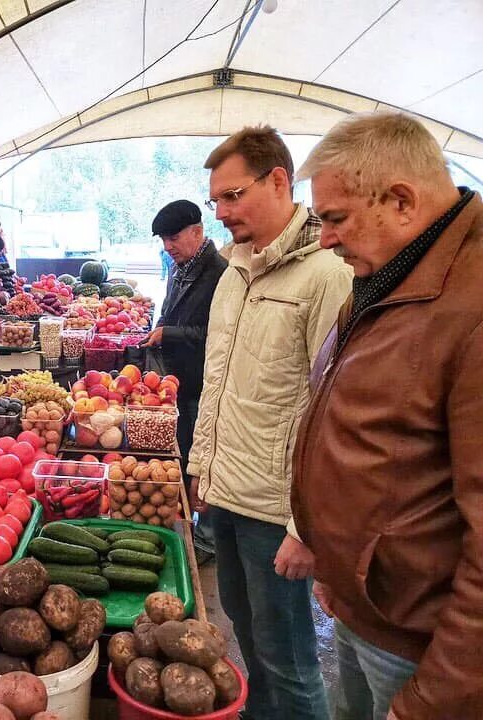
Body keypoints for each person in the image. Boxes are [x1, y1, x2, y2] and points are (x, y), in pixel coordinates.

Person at [291, 112, 483, 720]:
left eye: (335, 219)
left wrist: (432, 700)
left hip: (419, 646)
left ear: (401, 200)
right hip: (364, 608)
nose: (323, 238)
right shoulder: (393, 271)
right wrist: (334, 565)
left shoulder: (471, 307)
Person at [188, 125, 352, 720]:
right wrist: (200, 467)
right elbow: (217, 382)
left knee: (290, 660)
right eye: (217, 201)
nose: (223, 212)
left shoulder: (327, 276)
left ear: (279, 180)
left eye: (233, 196)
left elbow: (332, 415)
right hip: (228, 494)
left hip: (275, 510)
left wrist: (305, 525)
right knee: (249, 640)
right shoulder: (235, 272)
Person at [143, 200, 227, 560]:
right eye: (163, 239)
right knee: (185, 451)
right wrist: (161, 327)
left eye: (173, 237)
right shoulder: (181, 268)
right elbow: (169, 310)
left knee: (201, 458)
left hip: (202, 380)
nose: (168, 246)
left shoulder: (219, 272)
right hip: (179, 381)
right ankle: (187, 525)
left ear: (198, 231)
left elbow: (216, 331)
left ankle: (206, 539)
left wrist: (169, 334)